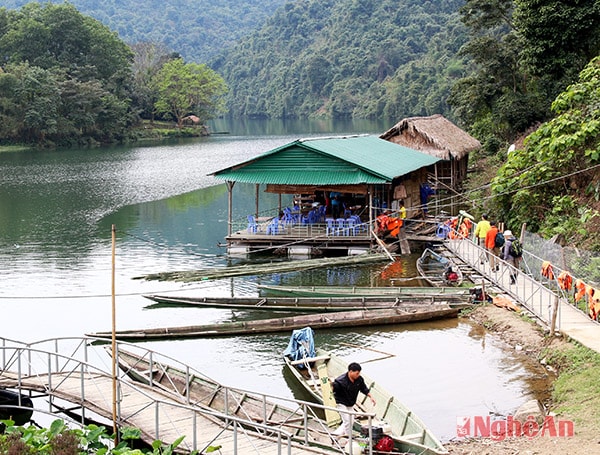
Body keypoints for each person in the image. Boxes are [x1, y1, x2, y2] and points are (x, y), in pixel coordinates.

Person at [332, 362, 376, 437]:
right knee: (347, 421)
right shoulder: (340, 381)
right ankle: (349, 438)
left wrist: (371, 397)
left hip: (350, 403)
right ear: (350, 372)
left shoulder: (359, 379)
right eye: (357, 373)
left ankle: (335, 435)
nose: (358, 375)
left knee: (351, 421)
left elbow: (364, 389)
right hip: (341, 403)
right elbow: (333, 390)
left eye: (359, 373)